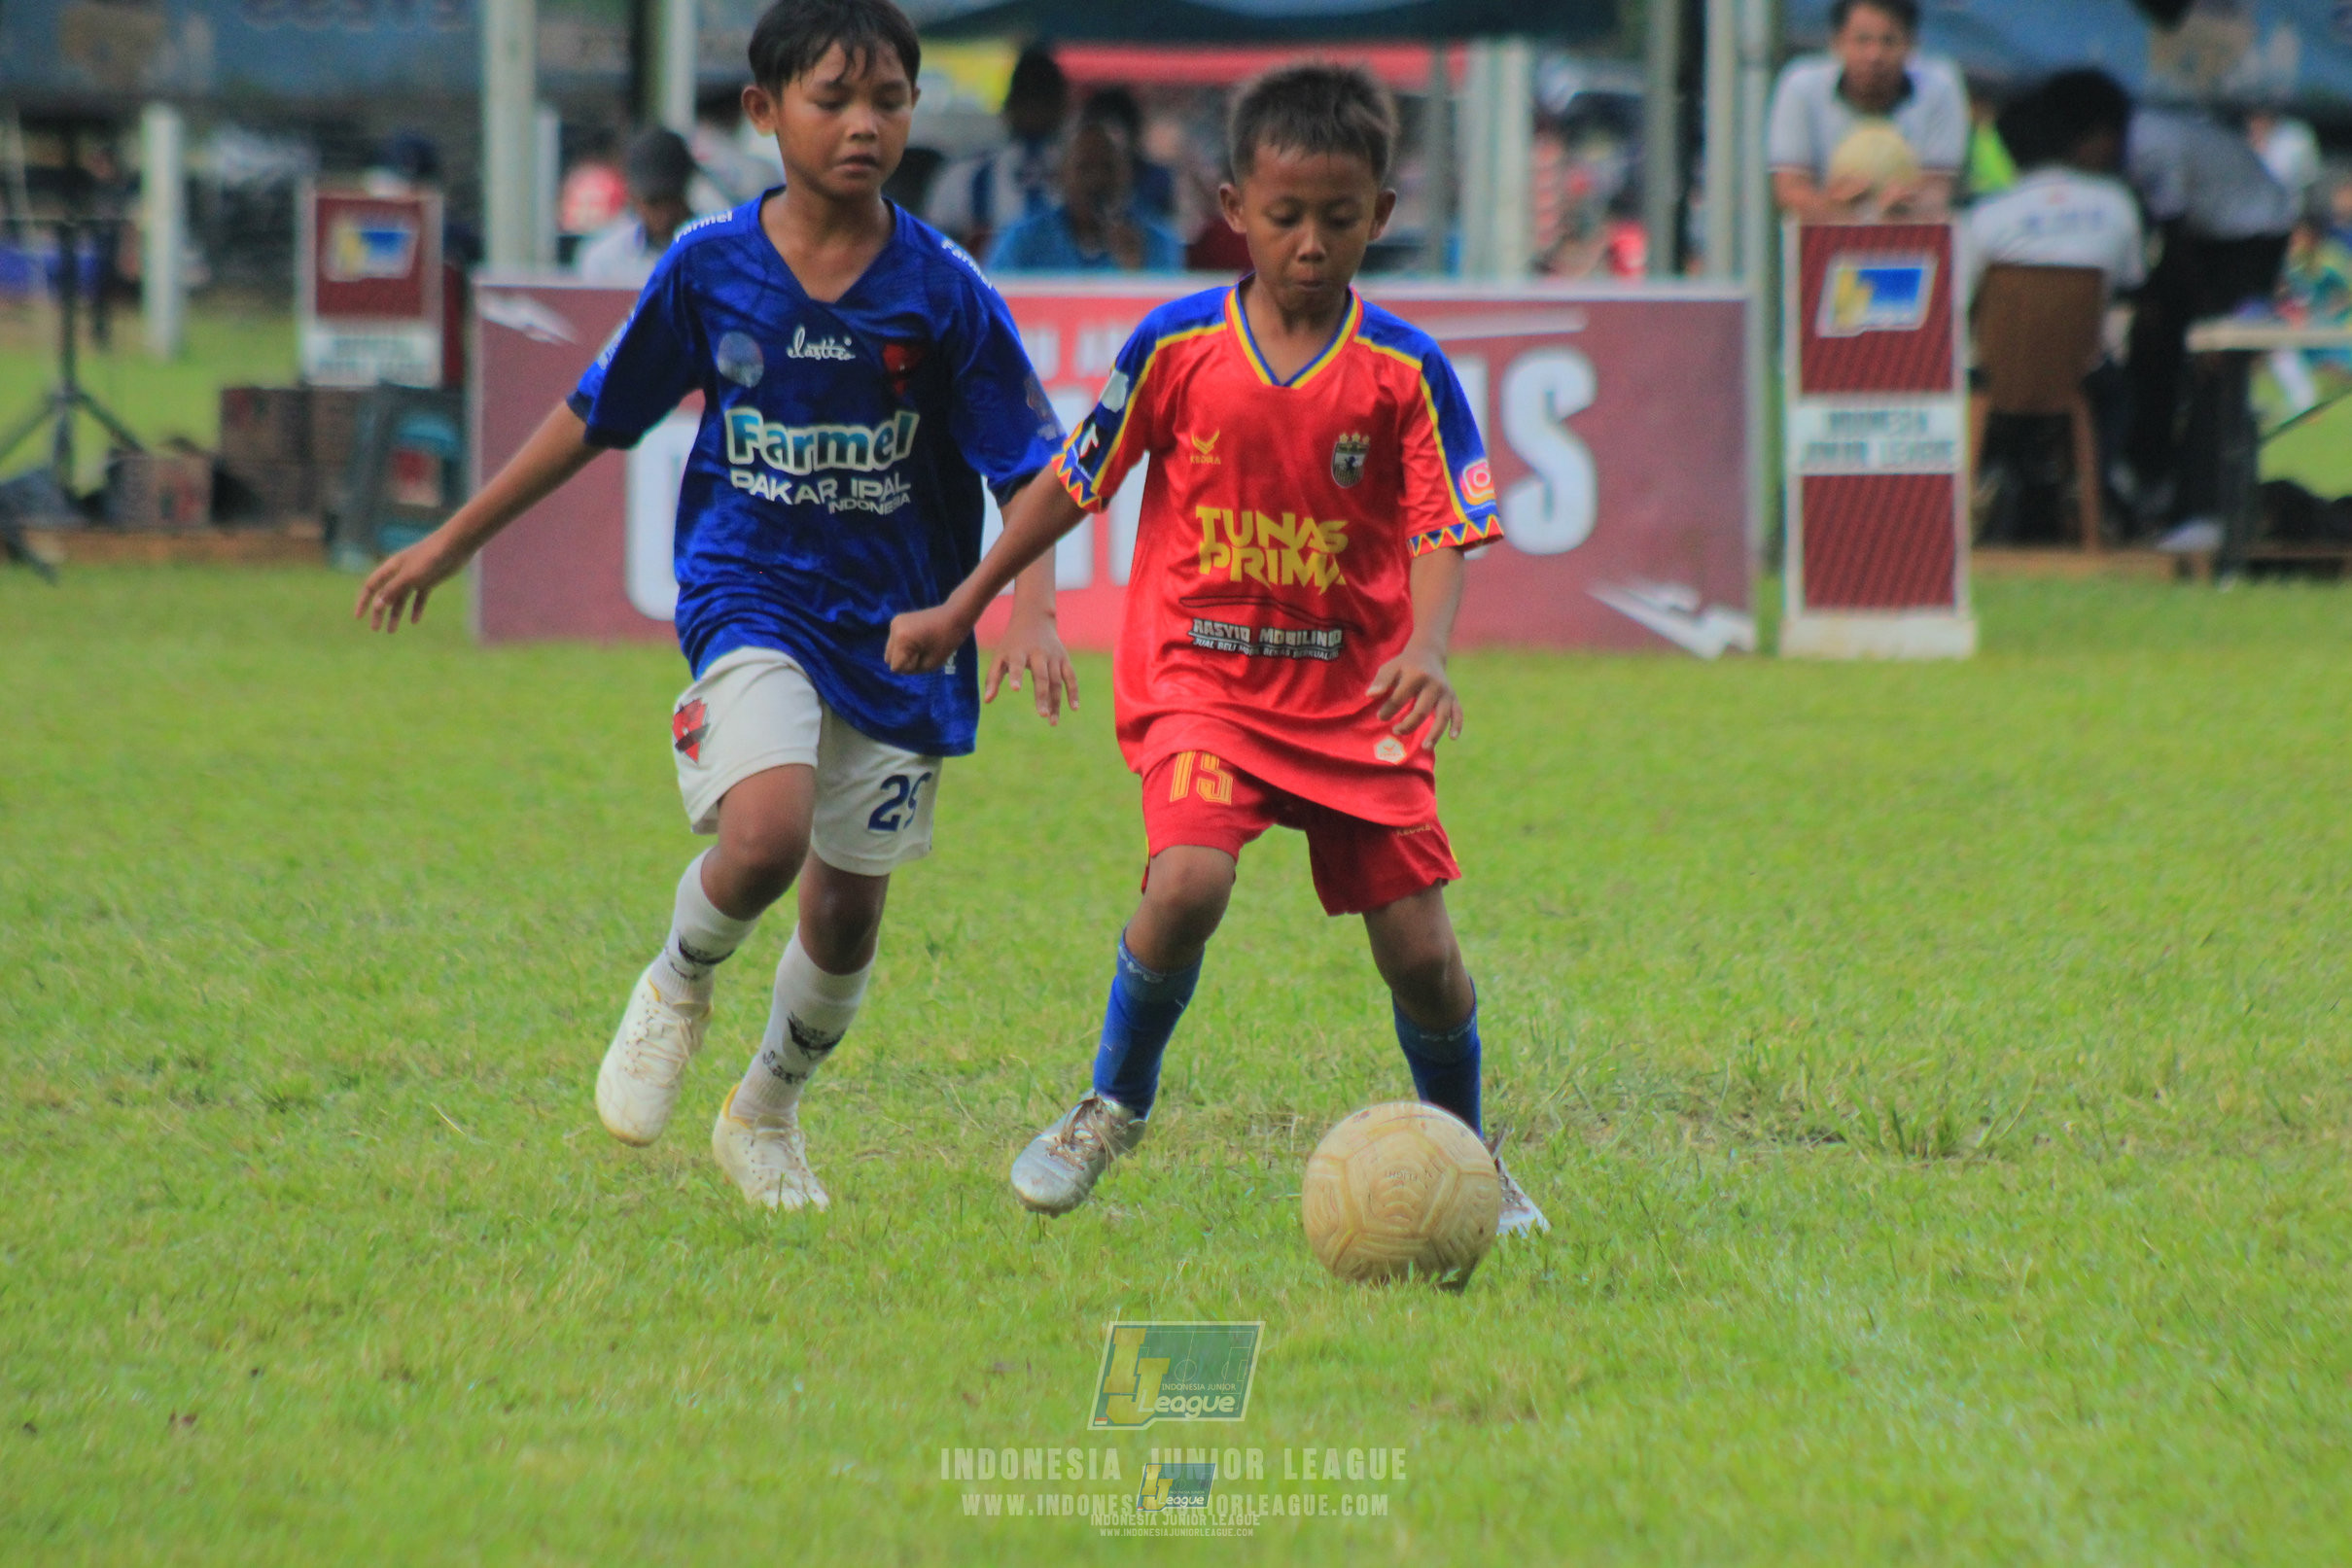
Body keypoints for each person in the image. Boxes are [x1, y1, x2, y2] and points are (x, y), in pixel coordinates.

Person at [354, 0, 1074, 1210]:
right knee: (764, 833)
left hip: (901, 626)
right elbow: (597, 413)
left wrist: (1031, 612)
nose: (863, 125)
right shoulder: (709, 267)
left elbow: (1031, 471)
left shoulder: (944, 290)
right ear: (760, 112)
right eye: (832, 99)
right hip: (752, 590)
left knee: (845, 918)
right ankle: (677, 984)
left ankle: (766, 1111)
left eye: (887, 101)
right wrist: (451, 540)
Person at [885, 63, 1549, 1235]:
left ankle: (1470, 1159)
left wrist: (1430, 646)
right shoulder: (1175, 345)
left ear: (1380, 218)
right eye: (1284, 215)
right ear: (1232, 204)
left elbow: (1449, 523)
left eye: (1338, 219)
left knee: (1422, 954)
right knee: (1186, 879)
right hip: (1207, 680)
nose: (1308, 242)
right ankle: (1110, 1101)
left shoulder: (1404, 371)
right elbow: (1066, 488)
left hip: (1357, 695)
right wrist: (975, 603)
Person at [2119, 103, 2295, 527]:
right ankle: (2151, 477)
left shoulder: (2148, 145)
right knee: (2154, 352)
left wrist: (2195, 312)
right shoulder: (2143, 134)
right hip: (2214, 237)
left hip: (2251, 234)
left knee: (2214, 369)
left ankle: (2203, 505)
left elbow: (2175, 235)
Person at [1767, 0, 1967, 222]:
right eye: (1862, 41)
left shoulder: (1939, 86)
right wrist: (1837, 208)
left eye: (1888, 41)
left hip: (1911, 240)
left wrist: (1906, 206)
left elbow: (1939, 189)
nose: (1874, 55)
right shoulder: (1801, 86)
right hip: (1822, 241)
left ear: (1911, 44)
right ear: (1837, 42)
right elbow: (1790, 190)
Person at [1963, 70, 2142, 308]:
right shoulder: (2118, 203)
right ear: (2100, 137)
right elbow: (2129, 284)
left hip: (2003, 343)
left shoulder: (1984, 216)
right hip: (2084, 344)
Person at [986, 115, 1184, 272]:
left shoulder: (1157, 242)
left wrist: (1136, 271)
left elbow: (1171, 316)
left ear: (1127, 175)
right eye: (1084, 168)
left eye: (1108, 167)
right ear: (1061, 176)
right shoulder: (1023, 241)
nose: (1097, 179)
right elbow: (992, 306)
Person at [923, 44, 1069, 258]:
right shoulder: (965, 176)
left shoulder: (1087, 174)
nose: (1034, 108)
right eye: (1028, 96)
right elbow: (932, 250)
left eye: (1042, 97)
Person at [575, 128, 702, 287]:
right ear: (634, 198)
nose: (665, 214)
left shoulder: (718, 249)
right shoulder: (605, 260)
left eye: (672, 200)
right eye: (653, 202)